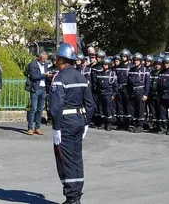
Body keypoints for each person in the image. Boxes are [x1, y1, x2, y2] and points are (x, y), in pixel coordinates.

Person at [49, 43, 94, 204]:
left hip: (65, 124)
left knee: (65, 160)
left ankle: (71, 198)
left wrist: (55, 127)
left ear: (61, 59)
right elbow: (90, 104)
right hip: (79, 122)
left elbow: (56, 105)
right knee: (76, 159)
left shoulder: (59, 78)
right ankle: (77, 195)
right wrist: (86, 122)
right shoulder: (82, 77)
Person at [26, 51, 49, 135]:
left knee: (40, 109)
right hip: (36, 89)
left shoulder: (46, 65)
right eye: (43, 60)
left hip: (43, 89)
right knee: (33, 109)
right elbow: (34, 76)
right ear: (39, 58)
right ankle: (30, 128)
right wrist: (45, 75)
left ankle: (37, 127)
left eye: (45, 59)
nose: (44, 61)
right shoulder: (33, 64)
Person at [127, 53, 150, 133]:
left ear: (140, 61)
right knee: (133, 110)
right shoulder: (131, 70)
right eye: (135, 60)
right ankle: (134, 124)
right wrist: (129, 93)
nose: (136, 62)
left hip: (141, 91)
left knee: (140, 109)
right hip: (132, 92)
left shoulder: (145, 70)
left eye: (137, 60)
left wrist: (146, 94)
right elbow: (128, 83)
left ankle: (140, 126)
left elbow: (147, 84)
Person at [95, 58, 117, 131]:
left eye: (106, 64)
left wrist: (113, 95)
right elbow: (97, 84)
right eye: (104, 64)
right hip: (101, 93)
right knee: (101, 109)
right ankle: (102, 123)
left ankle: (108, 124)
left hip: (108, 93)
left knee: (108, 109)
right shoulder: (100, 73)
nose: (105, 66)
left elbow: (115, 86)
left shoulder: (112, 73)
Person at [115, 49, 132, 130]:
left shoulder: (130, 66)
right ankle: (119, 123)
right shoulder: (118, 66)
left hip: (126, 88)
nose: (124, 58)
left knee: (127, 106)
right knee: (119, 106)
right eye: (122, 56)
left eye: (125, 56)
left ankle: (126, 124)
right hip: (119, 88)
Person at [148, 57, 162, 132]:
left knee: (159, 110)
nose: (157, 66)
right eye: (156, 64)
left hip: (159, 94)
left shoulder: (162, 73)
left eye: (159, 64)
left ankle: (160, 126)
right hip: (152, 94)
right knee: (152, 110)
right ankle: (154, 125)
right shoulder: (152, 73)